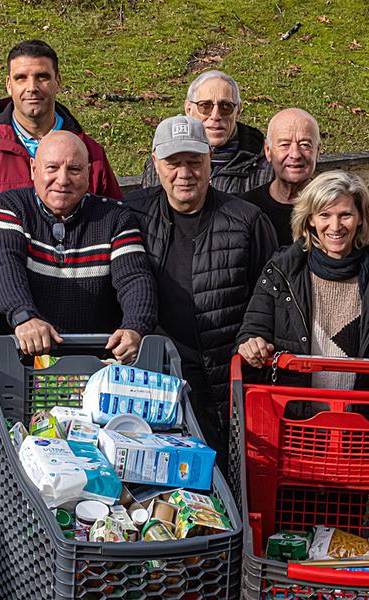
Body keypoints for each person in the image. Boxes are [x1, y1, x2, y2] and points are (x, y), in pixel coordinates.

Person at [124, 115, 277, 467]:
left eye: (194, 162)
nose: (184, 173)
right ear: (155, 163)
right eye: (173, 163)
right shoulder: (132, 214)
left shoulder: (246, 221)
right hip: (149, 376)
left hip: (220, 383)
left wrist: (255, 340)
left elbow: (268, 298)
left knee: (218, 477)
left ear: (210, 159)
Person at [237, 170, 369, 390]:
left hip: (367, 420)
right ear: (310, 219)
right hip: (293, 418)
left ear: (360, 218)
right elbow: (251, 335)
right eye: (325, 215)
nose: (335, 226)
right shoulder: (280, 273)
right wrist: (252, 345)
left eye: (345, 215)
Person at [0, 131, 156, 362]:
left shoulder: (116, 217)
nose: (63, 179)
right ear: (33, 168)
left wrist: (135, 327)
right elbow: (5, 265)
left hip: (98, 364)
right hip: (24, 363)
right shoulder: (11, 206)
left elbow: (134, 279)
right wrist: (24, 316)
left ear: (89, 172)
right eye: (52, 168)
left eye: (74, 169)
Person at [0, 39, 122, 209]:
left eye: (42, 77)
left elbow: (115, 219)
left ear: (57, 82)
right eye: (21, 78)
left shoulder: (89, 152)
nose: (32, 87)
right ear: (9, 85)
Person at [140, 70, 272, 195]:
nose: (215, 115)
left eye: (226, 106)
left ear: (238, 111)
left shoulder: (265, 164)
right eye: (205, 106)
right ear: (188, 109)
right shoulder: (163, 157)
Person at [241, 108, 321, 244]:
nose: (295, 154)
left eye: (305, 145)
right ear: (268, 151)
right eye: (285, 145)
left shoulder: (333, 209)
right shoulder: (245, 209)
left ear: (318, 151)